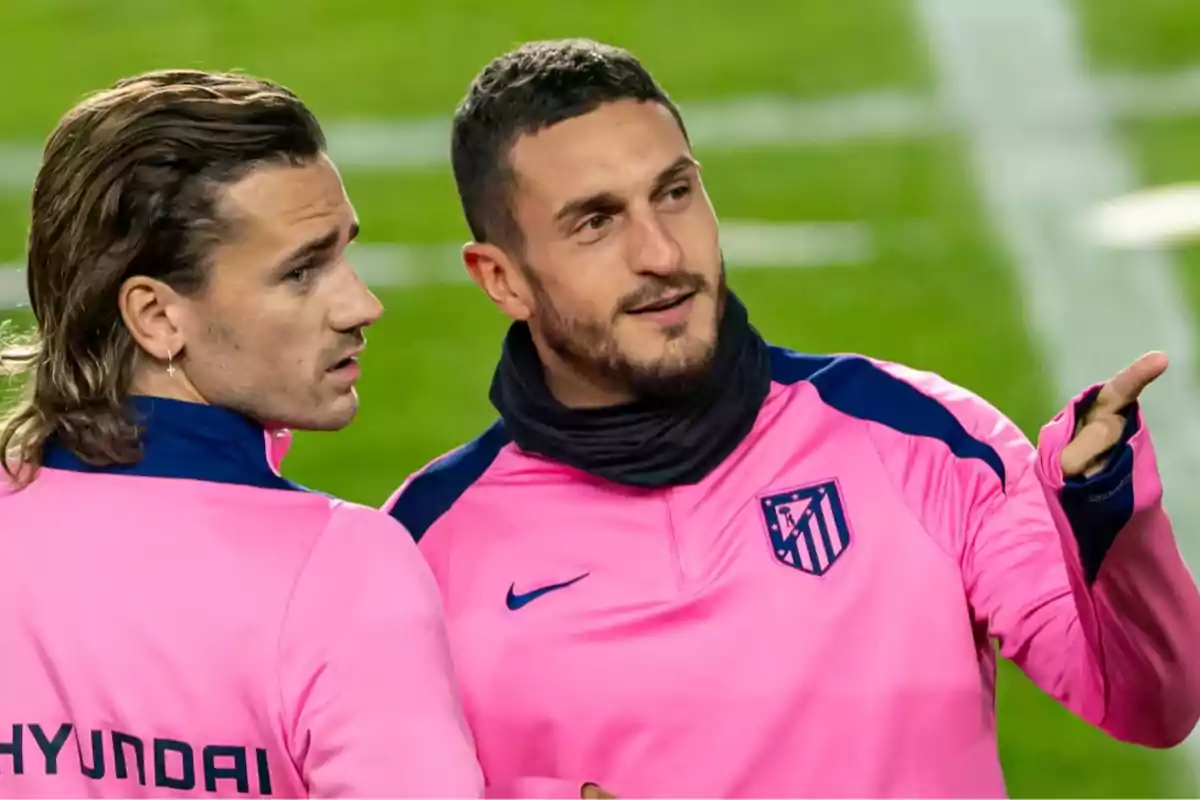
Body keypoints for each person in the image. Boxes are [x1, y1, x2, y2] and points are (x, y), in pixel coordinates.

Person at [384, 39, 1200, 798]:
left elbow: (1150, 702)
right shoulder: (419, 555)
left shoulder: (915, 440)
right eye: (596, 222)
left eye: (674, 194)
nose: (663, 254)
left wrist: (1102, 512)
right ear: (502, 280)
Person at [0, 70, 483, 798]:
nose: (362, 304)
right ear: (158, 317)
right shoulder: (343, 572)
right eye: (302, 272)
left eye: (343, 254)